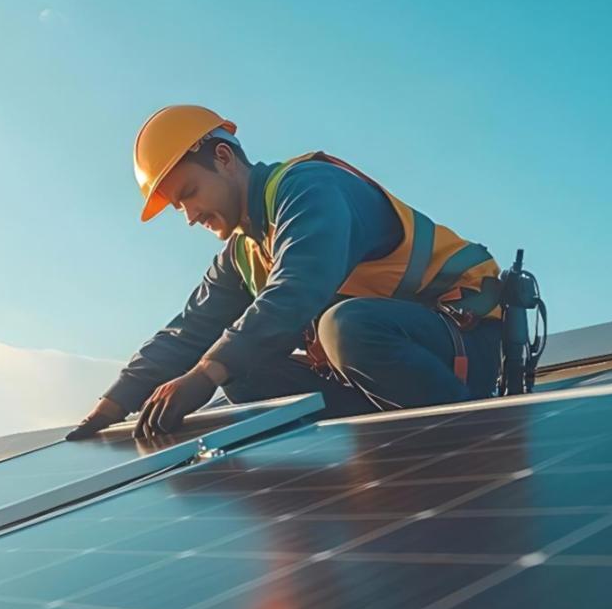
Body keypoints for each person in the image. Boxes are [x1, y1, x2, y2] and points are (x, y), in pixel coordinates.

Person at [68, 105, 504, 441]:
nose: (189, 215)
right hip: (382, 379)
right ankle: (389, 450)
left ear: (224, 158)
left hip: (461, 346)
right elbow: (187, 332)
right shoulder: (245, 251)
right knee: (243, 369)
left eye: (189, 194)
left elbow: (297, 288)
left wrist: (205, 375)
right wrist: (110, 407)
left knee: (341, 327)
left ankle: (465, 440)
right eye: (178, 207)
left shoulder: (310, 188)